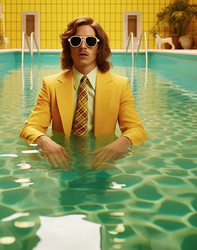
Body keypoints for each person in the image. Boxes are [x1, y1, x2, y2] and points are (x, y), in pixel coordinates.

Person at [20, 16, 147, 170]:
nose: (83, 46)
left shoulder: (120, 85)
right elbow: (30, 128)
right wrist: (43, 140)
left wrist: (121, 143)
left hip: (102, 159)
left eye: (91, 41)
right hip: (64, 160)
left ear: (99, 47)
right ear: (69, 48)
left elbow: (137, 130)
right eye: (76, 41)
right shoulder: (50, 85)